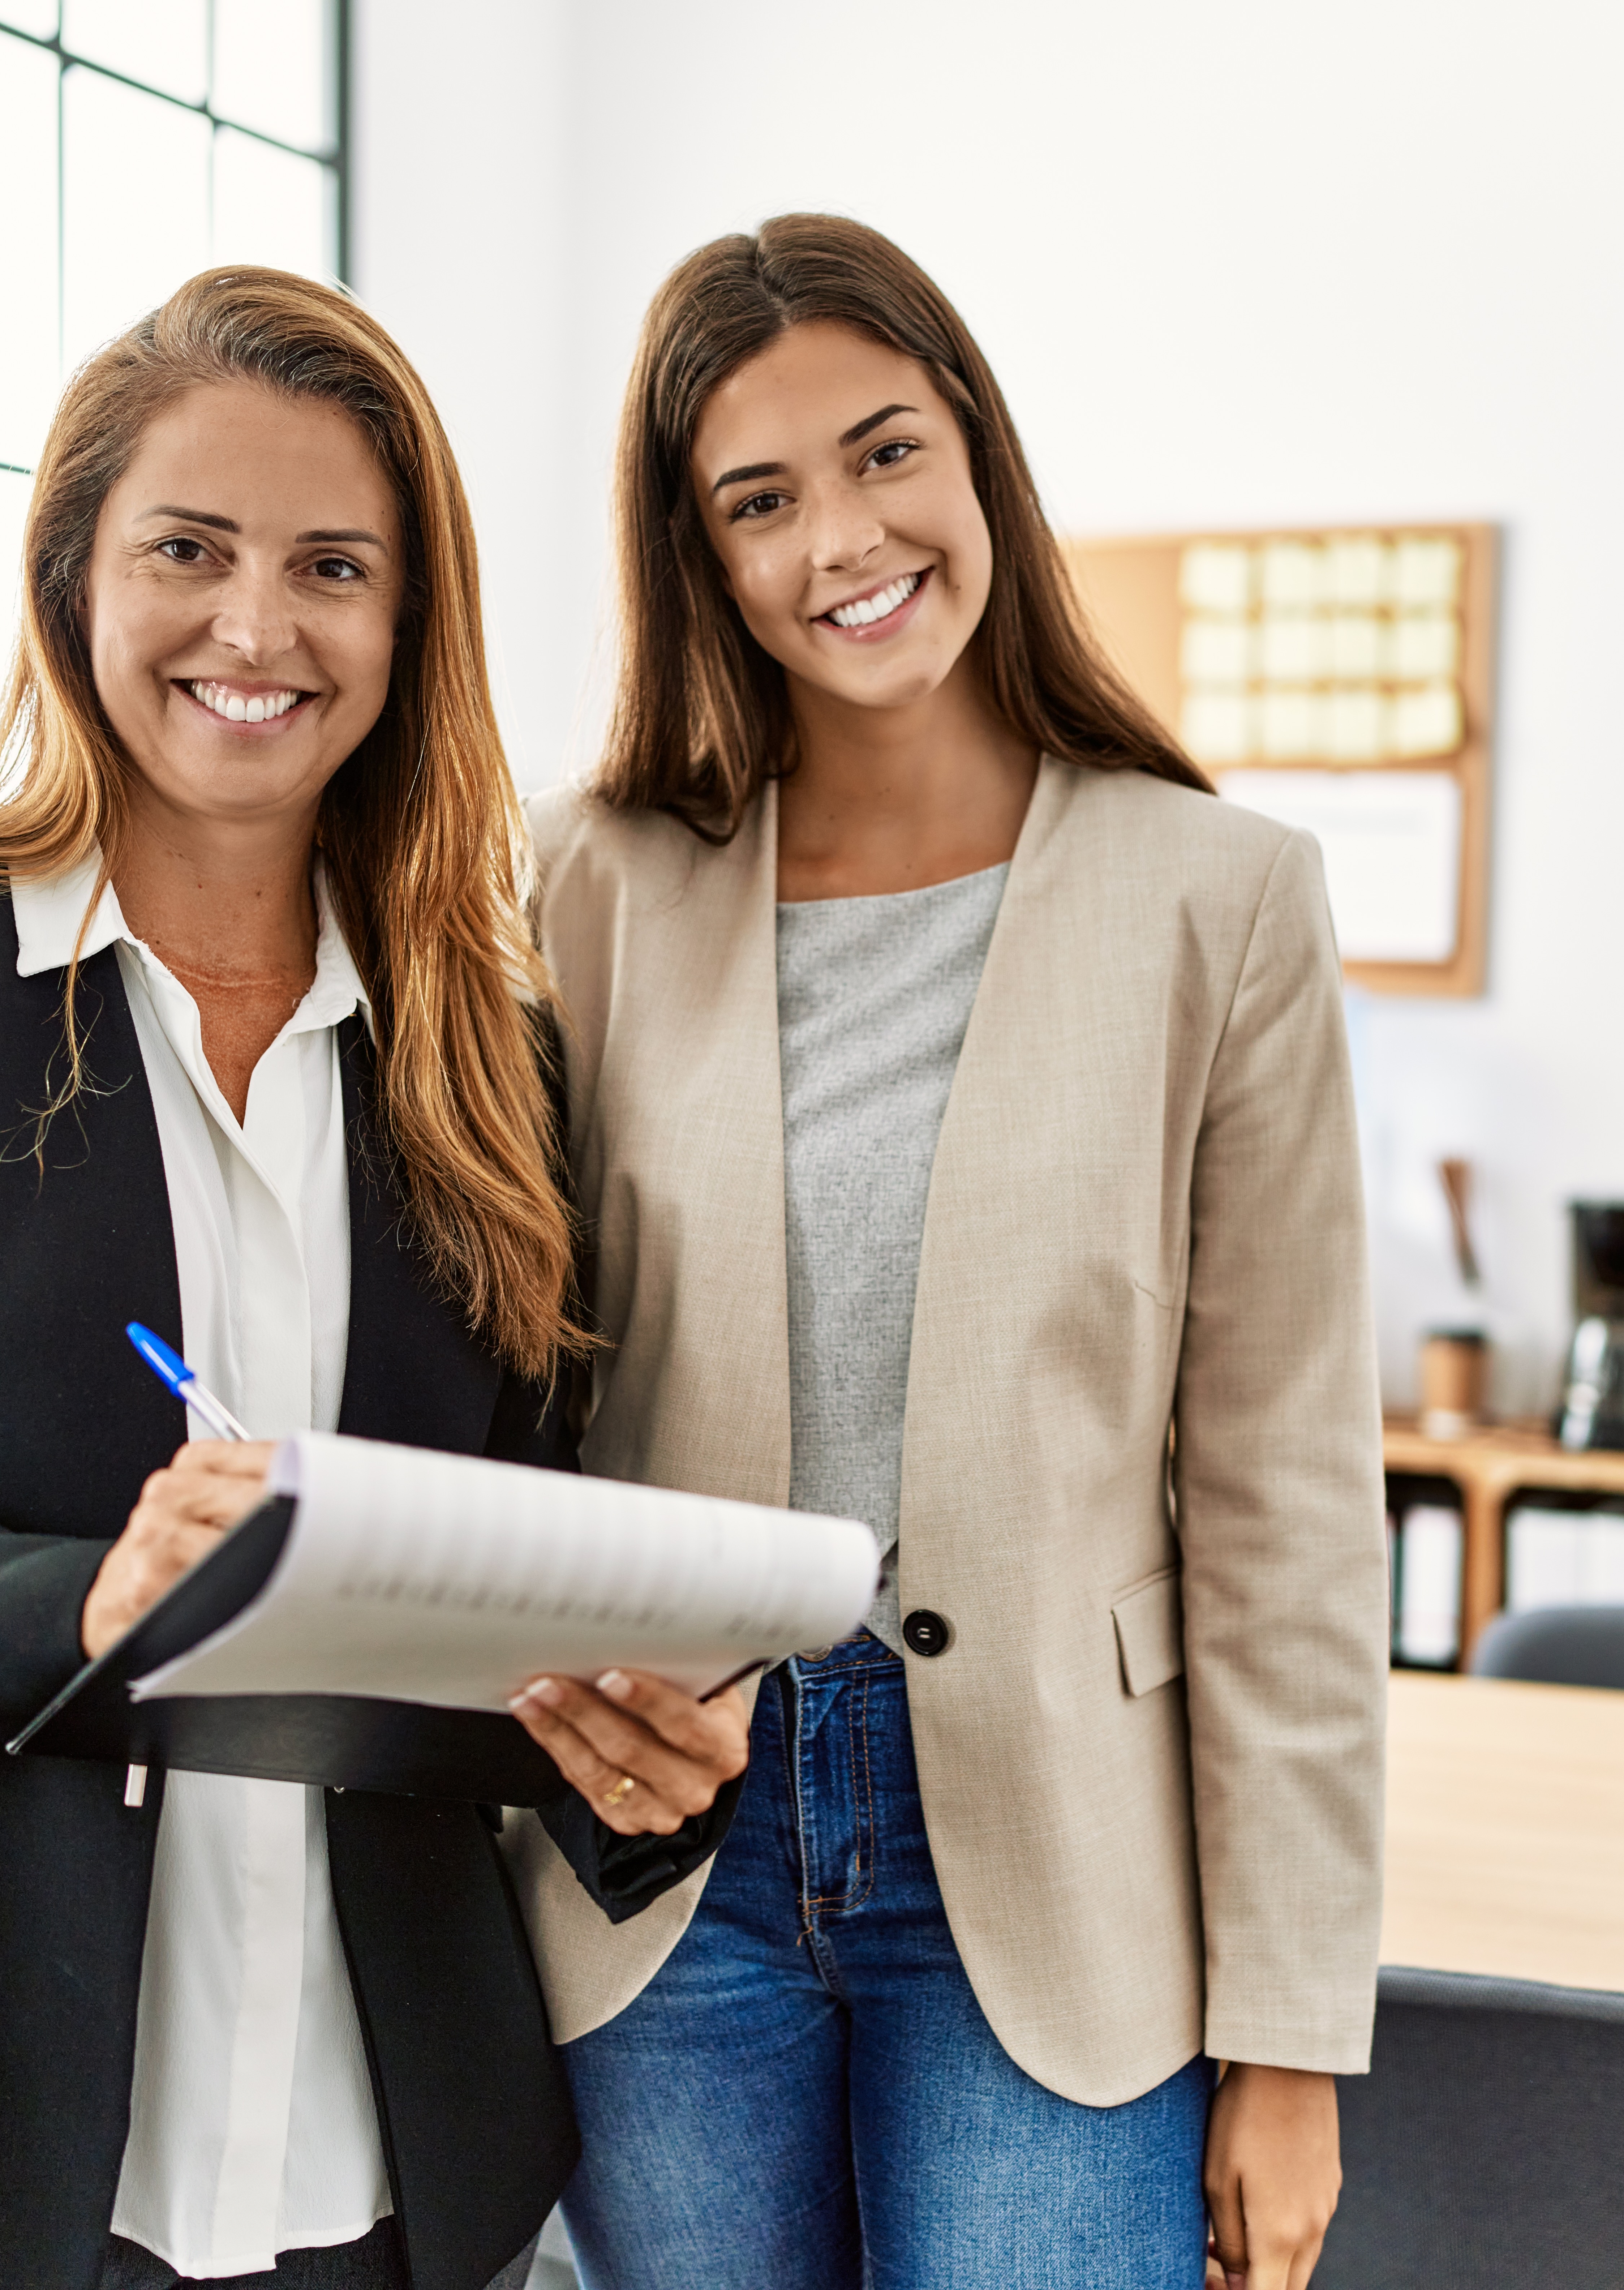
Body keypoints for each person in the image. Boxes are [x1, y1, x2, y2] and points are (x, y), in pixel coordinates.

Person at [0, 267, 748, 2290]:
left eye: (333, 568)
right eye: (190, 549)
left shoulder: (484, 1056)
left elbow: (481, 1600)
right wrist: (79, 1600)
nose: (256, 629)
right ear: (77, 571)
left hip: (373, 2158)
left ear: (407, 628)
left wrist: (625, 1766)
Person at [506, 216, 1386, 2290]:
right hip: (667, 1871)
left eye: (885, 451)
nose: (845, 537)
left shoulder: (1222, 900)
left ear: (978, 450)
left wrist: (1289, 2036)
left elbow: (1284, 1504)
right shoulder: (590, 884)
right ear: (701, 558)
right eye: (761, 500)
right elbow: (502, 1393)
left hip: (1059, 1863)